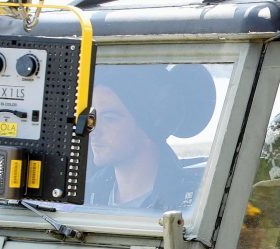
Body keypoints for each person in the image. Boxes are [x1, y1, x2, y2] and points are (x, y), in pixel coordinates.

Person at [85, 64, 216, 212]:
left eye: (110, 118)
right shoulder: (85, 196)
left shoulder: (193, 205)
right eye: (92, 116)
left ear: (150, 125)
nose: (93, 129)